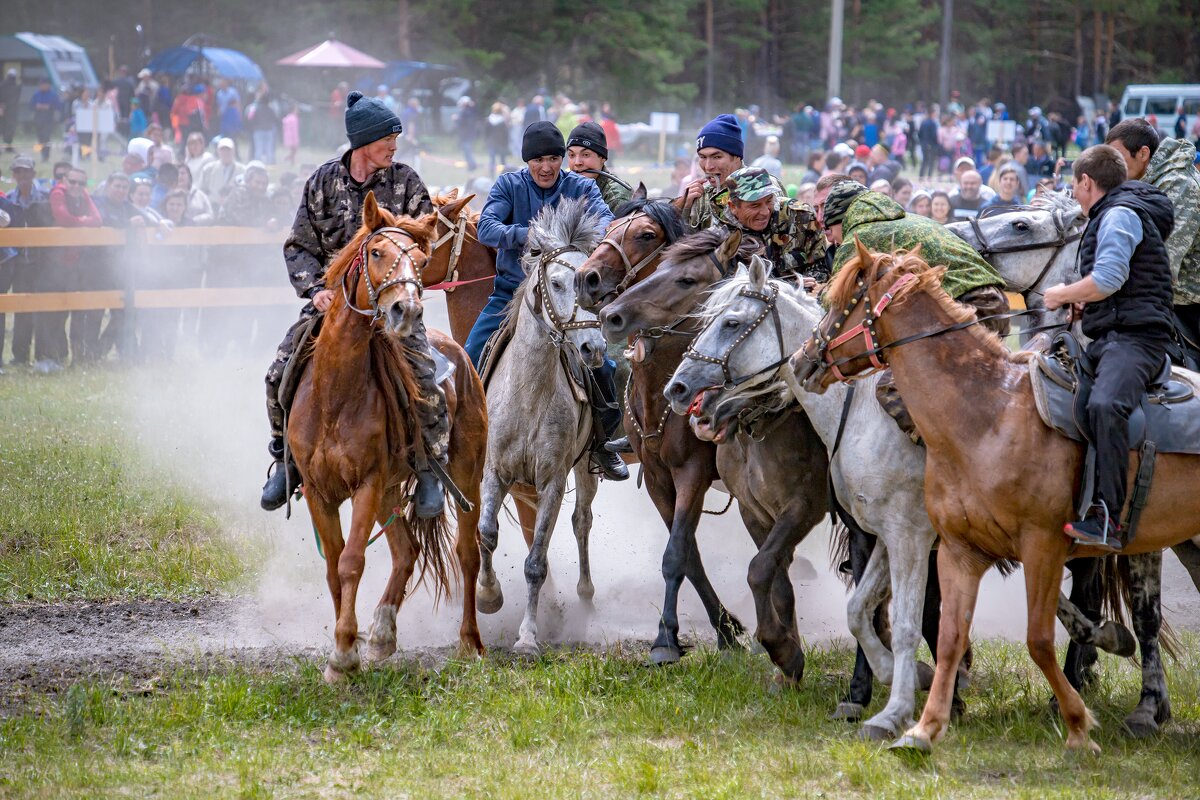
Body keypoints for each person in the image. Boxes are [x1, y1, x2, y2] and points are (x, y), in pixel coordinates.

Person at [261, 89, 448, 516]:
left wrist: (403, 263)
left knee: (426, 375)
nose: (394, 147)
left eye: (395, 140)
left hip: (394, 305)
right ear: (363, 141)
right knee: (278, 372)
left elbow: (425, 238)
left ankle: (428, 470)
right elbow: (297, 246)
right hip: (334, 305)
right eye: (387, 139)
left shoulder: (406, 181)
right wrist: (315, 290)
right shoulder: (323, 182)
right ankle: (286, 462)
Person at [462, 121, 626, 481]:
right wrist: (533, 234)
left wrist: (570, 240)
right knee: (468, 354)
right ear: (527, 162)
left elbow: (608, 226)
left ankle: (602, 444)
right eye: (538, 160)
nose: (547, 167)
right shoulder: (509, 184)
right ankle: (459, 439)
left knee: (604, 364)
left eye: (554, 158)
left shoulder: (580, 186)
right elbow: (486, 228)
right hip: (512, 295)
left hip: (570, 296)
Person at [1042, 146, 1175, 550]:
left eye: (1074, 185)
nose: (1074, 193)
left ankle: (1108, 518)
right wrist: (1084, 302)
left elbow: (1110, 278)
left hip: (1138, 340)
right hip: (1112, 336)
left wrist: (1062, 294)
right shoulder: (1110, 214)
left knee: (1105, 405)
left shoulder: (1118, 214)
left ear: (1086, 181)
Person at [816, 179, 1008, 440]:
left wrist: (816, 292)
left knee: (892, 389)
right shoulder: (906, 219)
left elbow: (837, 308)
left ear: (840, 219)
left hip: (968, 308)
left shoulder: (856, 239)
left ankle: (949, 457)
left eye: (828, 226)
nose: (827, 234)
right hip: (992, 302)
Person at [1105, 118, 1200, 338]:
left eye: (1118, 158)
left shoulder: (1180, 185)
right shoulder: (1143, 182)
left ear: (1143, 153)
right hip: (1159, 298)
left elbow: (1163, 263)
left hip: (1187, 304)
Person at [717, 166, 827, 287]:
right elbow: (726, 289)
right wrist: (786, 287)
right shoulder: (722, 238)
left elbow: (821, 269)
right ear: (733, 207)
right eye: (755, 206)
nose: (765, 212)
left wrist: (804, 286)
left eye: (769, 201)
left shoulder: (800, 217)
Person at [49, 167, 103, 363]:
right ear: (64, 180)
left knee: (79, 311)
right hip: (57, 262)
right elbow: (63, 217)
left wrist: (78, 222)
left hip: (78, 262)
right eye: (72, 181)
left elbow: (98, 220)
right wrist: (83, 220)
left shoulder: (84, 194)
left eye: (81, 183)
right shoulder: (57, 193)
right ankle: (59, 355)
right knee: (59, 311)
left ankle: (78, 356)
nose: (76, 186)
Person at [5, 155, 52, 368]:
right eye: (18, 172)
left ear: (34, 173)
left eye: (27, 171)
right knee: (21, 309)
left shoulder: (45, 197)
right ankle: (20, 357)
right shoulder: (7, 200)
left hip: (41, 263)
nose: (23, 176)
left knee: (42, 309)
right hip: (18, 263)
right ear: (14, 175)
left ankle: (42, 356)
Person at [681, 114, 746, 231]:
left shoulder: (762, 187)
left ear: (737, 157)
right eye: (702, 157)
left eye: (716, 157)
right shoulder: (701, 197)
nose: (708, 167)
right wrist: (684, 209)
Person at [566, 121, 630, 212]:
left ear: (602, 158)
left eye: (586, 155)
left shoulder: (616, 198)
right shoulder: (564, 187)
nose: (577, 163)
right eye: (571, 155)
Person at [199, 138, 245, 204]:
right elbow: (201, 190)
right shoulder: (208, 169)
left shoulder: (242, 170)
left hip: (235, 207)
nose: (226, 153)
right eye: (222, 150)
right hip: (213, 205)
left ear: (234, 151)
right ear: (218, 151)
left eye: (228, 150)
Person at [30, 79, 62, 162]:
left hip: (48, 119)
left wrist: (48, 107)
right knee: (40, 138)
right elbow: (31, 105)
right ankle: (42, 155)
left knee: (46, 138)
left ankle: (46, 156)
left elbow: (58, 106)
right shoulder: (36, 94)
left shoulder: (53, 95)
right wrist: (37, 106)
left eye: (44, 85)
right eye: (41, 85)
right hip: (38, 119)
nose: (42, 87)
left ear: (48, 85)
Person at [485, 101, 510, 175]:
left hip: (491, 142)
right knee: (502, 161)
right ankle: (504, 175)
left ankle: (491, 174)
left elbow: (486, 133)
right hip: (501, 142)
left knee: (492, 160)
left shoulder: (488, 120)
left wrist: (486, 142)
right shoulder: (502, 121)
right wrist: (506, 143)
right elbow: (506, 134)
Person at [0, 70, 20, 153]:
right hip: (3, 111)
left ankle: (8, 146)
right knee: (3, 128)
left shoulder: (17, 87)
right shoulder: (2, 86)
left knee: (10, 129)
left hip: (11, 111)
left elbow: (15, 100)